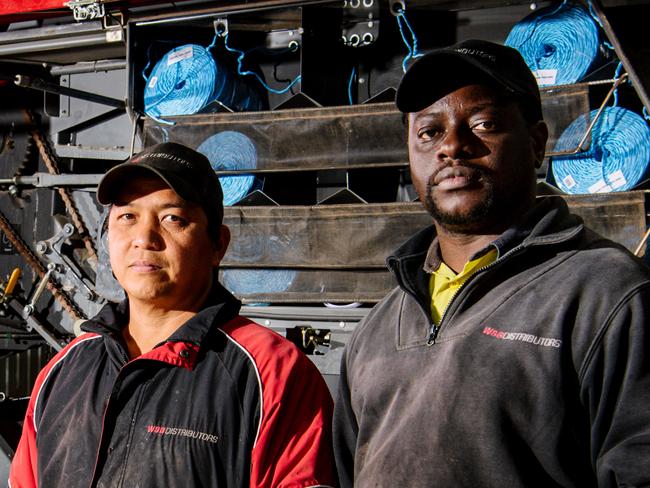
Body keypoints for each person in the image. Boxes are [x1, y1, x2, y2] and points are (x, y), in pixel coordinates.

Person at [333, 39, 650, 487]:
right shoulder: (380, 327)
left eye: (484, 123)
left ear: (537, 143)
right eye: (429, 132)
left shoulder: (608, 295)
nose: (453, 147)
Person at [9, 142, 336, 487]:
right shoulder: (64, 370)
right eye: (127, 217)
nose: (144, 237)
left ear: (217, 245)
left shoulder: (272, 372)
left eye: (172, 219)